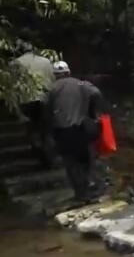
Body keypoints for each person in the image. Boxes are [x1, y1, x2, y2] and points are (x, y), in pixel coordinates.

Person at [46, 61, 103, 202]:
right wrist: (91, 111)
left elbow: (45, 105)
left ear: (55, 75)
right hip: (81, 128)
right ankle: (89, 186)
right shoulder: (81, 84)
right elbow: (96, 93)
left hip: (62, 131)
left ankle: (80, 192)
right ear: (68, 72)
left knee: (70, 162)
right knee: (85, 158)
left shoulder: (52, 88)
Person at [14, 42, 55, 167]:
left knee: (31, 129)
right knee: (46, 130)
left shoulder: (15, 63)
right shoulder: (46, 62)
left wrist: (17, 109)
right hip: (44, 99)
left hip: (26, 100)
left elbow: (14, 87)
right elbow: (52, 80)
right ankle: (48, 155)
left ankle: (39, 151)